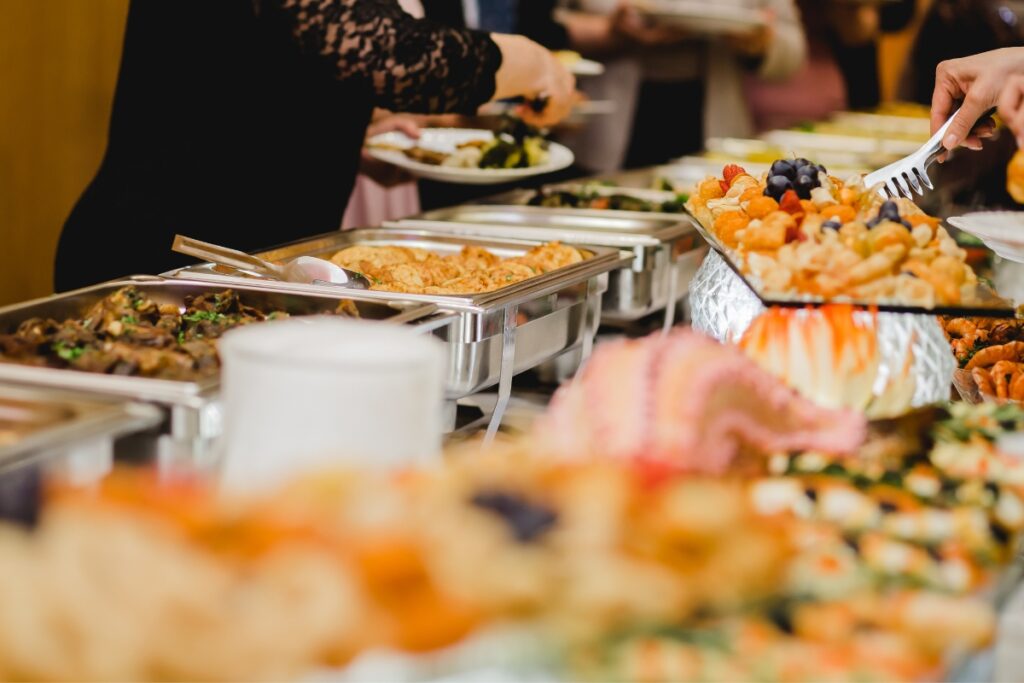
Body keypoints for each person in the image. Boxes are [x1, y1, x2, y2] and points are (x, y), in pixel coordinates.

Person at [55, 0, 575, 291]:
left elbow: (273, 61)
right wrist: (534, 62)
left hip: (267, 260)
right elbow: (397, 55)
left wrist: (346, 133)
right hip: (173, 257)